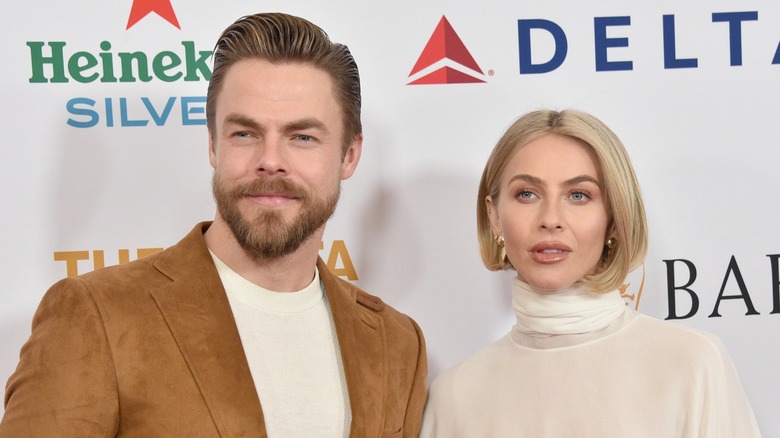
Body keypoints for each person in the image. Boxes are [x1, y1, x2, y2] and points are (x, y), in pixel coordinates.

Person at [1, 12, 426, 437]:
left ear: (350, 155)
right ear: (212, 144)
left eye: (302, 137)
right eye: (245, 133)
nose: (271, 160)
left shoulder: (395, 341)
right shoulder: (97, 315)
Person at [420, 109, 760, 437]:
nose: (550, 218)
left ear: (614, 217)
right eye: (527, 194)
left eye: (579, 195)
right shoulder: (455, 395)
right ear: (494, 216)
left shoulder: (690, 364)